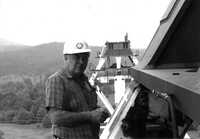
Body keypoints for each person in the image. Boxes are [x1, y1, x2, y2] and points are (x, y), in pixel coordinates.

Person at [45, 40, 109, 139]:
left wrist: (99, 112)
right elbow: (56, 117)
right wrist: (91, 116)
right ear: (65, 57)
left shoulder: (84, 79)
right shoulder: (57, 80)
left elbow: (86, 108)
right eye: (76, 57)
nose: (81, 62)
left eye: (85, 58)